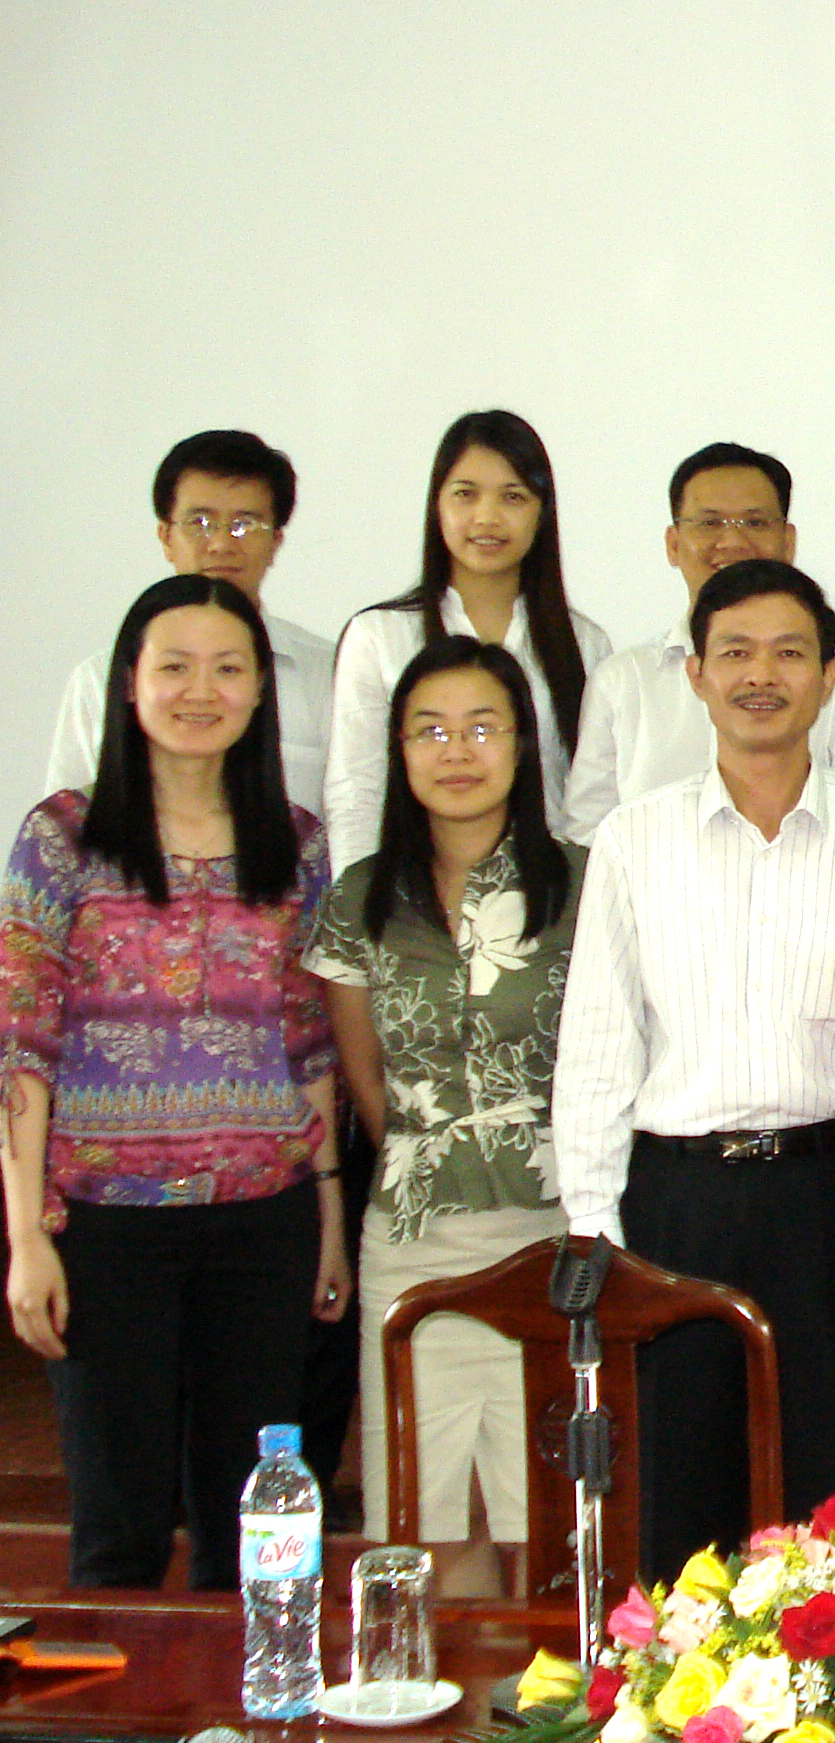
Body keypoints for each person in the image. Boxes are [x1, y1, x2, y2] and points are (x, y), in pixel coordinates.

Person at [553, 560, 835, 1576]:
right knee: (679, 1490)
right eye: (734, 652)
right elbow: (597, 1046)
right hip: (677, 1202)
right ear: (695, 674)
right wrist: (594, 1231)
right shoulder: (634, 842)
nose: (760, 675)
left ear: (829, 678)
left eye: (788, 653)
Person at [0, 576, 344, 1589]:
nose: (203, 690)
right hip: (106, 1227)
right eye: (176, 666)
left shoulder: (297, 845)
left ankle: (256, 1694)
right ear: (128, 683)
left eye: (229, 668)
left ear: (260, 691)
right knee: (121, 1528)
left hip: (266, 1222)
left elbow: (311, 1046)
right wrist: (25, 1237)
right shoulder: (63, 837)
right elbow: (20, 1043)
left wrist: (328, 1220)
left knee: (257, 1532)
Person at [305, 639, 581, 1548]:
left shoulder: (584, 883)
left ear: (522, 744)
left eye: (481, 727)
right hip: (412, 1241)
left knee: (543, 1518)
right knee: (417, 1515)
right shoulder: (362, 896)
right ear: (399, 751)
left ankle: (537, 1659)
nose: (456, 751)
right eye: (430, 730)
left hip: (553, 1235)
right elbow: (364, 1078)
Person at [562, 443, 835, 841]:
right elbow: (589, 834)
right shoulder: (622, 681)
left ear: (788, 541)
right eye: (709, 523)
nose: (732, 542)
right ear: (674, 544)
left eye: (755, 522)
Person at [322, 411, 610, 873]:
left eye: (513, 496)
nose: (487, 517)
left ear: (542, 513)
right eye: (465, 494)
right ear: (437, 505)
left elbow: (591, 801)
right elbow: (356, 792)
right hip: (413, 893)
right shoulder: (378, 636)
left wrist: (574, 898)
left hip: (548, 893)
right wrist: (360, 901)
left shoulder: (584, 644)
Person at [43, 430, 336, 818]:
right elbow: (68, 825)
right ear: (166, 537)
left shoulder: (328, 673)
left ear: (276, 543)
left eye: (245, 524)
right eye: (200, 522)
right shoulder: (98, 679)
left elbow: (356, 819)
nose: (221, 544)